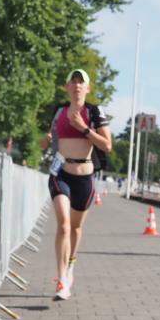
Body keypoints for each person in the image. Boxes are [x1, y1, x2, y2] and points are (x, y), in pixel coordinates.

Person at [40, 69, 111, 301]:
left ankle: (70, 265)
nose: (77, 86)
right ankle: (61, 281)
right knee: (63, 225)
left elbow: (107, 145)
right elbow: (46, 141)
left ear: (88, 89)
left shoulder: (93, 112)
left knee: (76, 228)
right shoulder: (59, 111)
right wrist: (45, 141)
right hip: (60, 173)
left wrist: (84, 128)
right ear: (67, 87)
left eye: (82, 83)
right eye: (74, 82)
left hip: (84, 176)